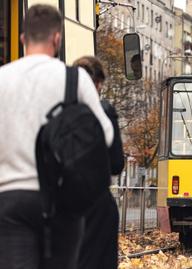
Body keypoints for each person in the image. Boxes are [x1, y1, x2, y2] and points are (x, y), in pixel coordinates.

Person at [0, 4, 113, 269]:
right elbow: (105, 136)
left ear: (23, 39)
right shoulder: (75, 79)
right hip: (62, 202)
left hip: (10, 200)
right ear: (57, 38)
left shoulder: (2, 79)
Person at [73, 56, 124, 269]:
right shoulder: (104, 111)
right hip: (96, 205)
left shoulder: (56, 109)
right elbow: (116, 163)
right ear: (97, 83)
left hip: (60, 203)